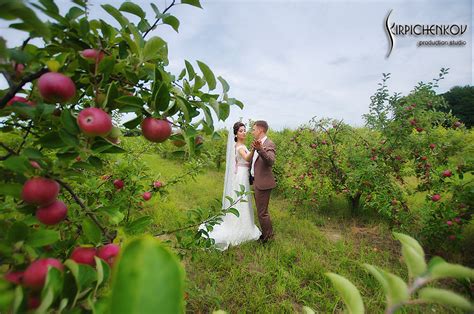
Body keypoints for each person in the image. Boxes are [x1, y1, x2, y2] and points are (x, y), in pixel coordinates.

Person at [200, 122, 261, 251]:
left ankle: (243, 224)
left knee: (243, 200)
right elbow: (247, 158)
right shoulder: (239, 146)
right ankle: (239, 227)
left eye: (245, 130)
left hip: (241, 173)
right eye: (241, 131)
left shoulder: (240, 145)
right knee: (242, 200)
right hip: (241, 176)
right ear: (235, 134)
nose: (244, 132)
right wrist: (254, 149)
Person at [250, 120, 276, 243]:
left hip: (264, 184)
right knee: (260, 211)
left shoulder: (269, 143)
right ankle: (265, 233)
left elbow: (270, 161)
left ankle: (268, 238)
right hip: (256, 182)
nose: (252, 132)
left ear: (260, 130)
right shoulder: (256, 143)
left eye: (254, 129)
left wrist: (260, 149)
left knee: (262, 213)